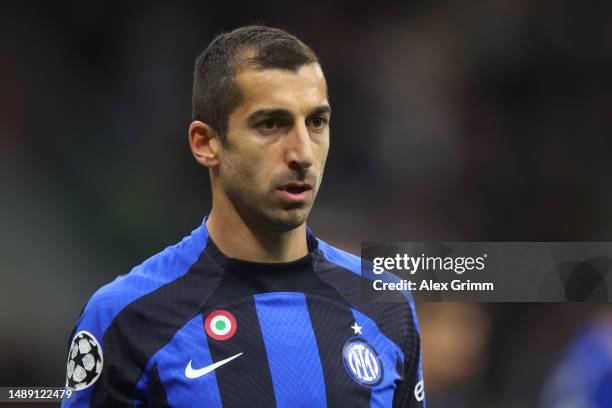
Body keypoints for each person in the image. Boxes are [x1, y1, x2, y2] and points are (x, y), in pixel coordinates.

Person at [62, 25, 425, 407]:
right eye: (271, 124)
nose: (302, 153)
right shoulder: (125, 316)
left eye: (316, 122)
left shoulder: (387, 304)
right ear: (206, 143)